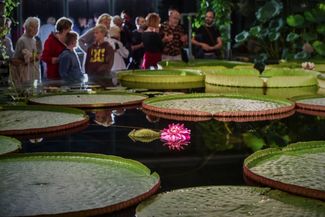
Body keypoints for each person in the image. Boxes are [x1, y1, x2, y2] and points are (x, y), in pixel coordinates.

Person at [11, 17, 41, 86]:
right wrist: (30, 59)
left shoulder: (34, 40)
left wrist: (35, 57)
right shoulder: (22, 40)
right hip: (25, 75)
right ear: (27, 27)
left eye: (37, 27)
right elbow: (14, 61)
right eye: (34, 27)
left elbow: (35, 56)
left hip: (34, 73)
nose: (36, 30)